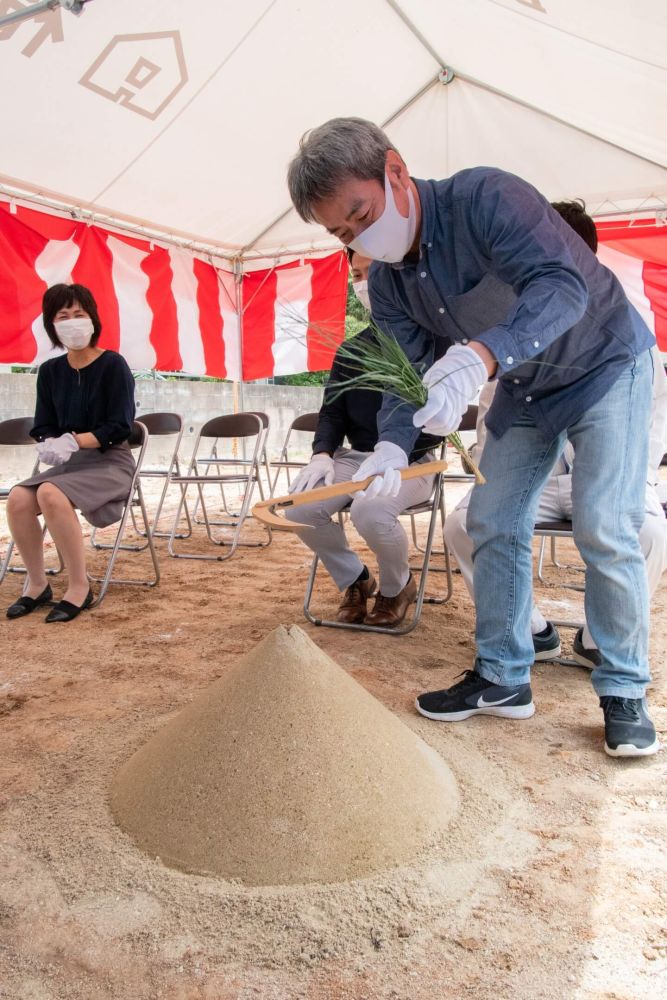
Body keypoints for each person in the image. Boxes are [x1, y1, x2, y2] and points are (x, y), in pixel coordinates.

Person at [288, 118, 658, 757]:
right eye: (343, 233)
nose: (360, 237)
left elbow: (561, 285)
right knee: (490, 519)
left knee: (606, 523)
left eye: (362, 214)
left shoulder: (487, 198)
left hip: (604, 363)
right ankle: (504, 675)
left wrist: (481, 355)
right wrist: (393, 446)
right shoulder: (387, 281)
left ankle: (624, 688)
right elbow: (405, 374)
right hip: (525, 388)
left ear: (396, 171)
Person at [444, 200, 667, 668]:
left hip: (609, 475)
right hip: (537, 478)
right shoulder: (514, 321)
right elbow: (493, 414)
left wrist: (627, 484)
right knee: (465, 523)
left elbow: (652, 430)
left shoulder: (628, 331)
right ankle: (529, 630)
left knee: (646, 531)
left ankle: (601, 640)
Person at [284, 249, 441, 627]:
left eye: (374, 271)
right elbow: (333, 411)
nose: (365, 283)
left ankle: (396, 586)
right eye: (357, 274)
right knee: (299, 509)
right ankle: (356, 578)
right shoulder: (352, 349)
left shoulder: (431, 340)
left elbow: (436, 420)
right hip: (356, 457)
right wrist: (322, 454)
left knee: (369, 511)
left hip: (413, 462)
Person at [6, 284, 136, 623]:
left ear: (92, 318)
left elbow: (121, 425)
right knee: (19, 498)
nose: (72, 321)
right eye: (63, 316)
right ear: (52, 325)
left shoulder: (113, 365)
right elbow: (44, 422)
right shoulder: (50, 371)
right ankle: (37, 584)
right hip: (70, 465)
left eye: (79, 314)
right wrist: (49, 441)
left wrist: (76, 440)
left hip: (110, 461)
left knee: (50, 492)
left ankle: (79, 585)